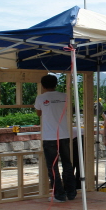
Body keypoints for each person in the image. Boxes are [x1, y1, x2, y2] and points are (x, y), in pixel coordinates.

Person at [34, 74, 76, 202]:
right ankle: (71, 193)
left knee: (53, 166)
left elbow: (38, 113)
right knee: (67, 164)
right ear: (56, 84)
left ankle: (59, 195)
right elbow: (70, 110)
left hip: (49, 137)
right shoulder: (65, 96)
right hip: (64, 135)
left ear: (42, 85)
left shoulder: (41, 98)